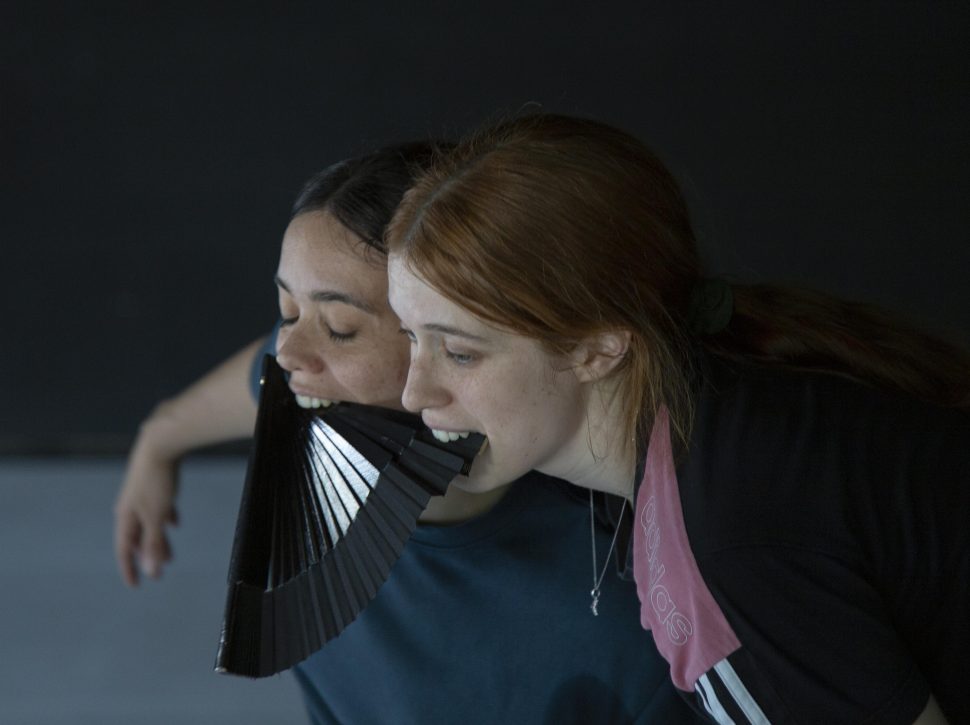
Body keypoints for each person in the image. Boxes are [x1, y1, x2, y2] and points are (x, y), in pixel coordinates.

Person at [385, 113, 970, 724]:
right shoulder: (704, 419)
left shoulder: (724, 538)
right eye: (409, 337)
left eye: (459, 352)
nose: (412, 390)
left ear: (597, 348)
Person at [114, 143, 701, 724]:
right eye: (288, 310)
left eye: (341, 327)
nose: (289, 354)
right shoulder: (306, 385)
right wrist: (160, 439)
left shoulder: (618, 614)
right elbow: (263, 367)